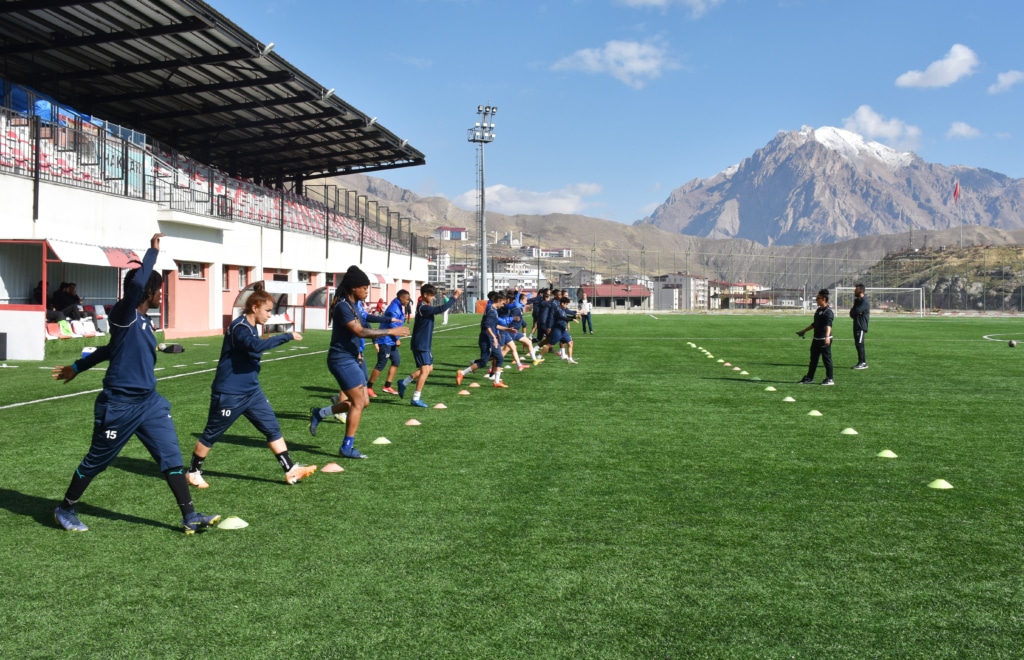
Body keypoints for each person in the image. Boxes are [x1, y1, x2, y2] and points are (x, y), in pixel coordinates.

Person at [51, 233, 219, 534]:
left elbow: (109, 350)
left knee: (170, 456)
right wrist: (153, 253)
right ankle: (65, 508)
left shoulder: (142, 320)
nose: (161, 296)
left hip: (149, 403)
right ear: (148, 290)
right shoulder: (123, 313)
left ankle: (190, 516)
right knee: (96, 461)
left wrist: (77, 366)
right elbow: (138, 286)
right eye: (159, 290)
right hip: (119, 404)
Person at [185, 282, 316, 489]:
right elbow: (254, 346)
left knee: (272, 428)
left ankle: (290, 470)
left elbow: (253, 351)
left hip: (251, 392)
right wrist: (286, 336)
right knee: (212, 433)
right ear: (254, 308)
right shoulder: (239, 328)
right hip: (230, 393)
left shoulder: (251, 328)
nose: (269, 315)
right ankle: (193, 471)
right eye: (267, 311)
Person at [309, 265, 409, 459]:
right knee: (357, 401)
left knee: (364, 402)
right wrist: (390, 331)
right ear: (354, 288)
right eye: (364, 288)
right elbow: (360, 331)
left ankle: (320, 413)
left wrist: (388, 320)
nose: (366, 291)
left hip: (355, 357)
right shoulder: (342, 307)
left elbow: (365, 320)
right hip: (341, 359)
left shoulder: (356, 306)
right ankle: (346, 447)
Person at [396, 285, 462, 407]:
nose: (432, 298)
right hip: (420, 344)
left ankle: (404, 382)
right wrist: (455, 297)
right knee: (425, 370)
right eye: (431, 296)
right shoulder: (423, 307)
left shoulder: (424, 306)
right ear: (425, 295)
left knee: (429, 368)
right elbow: (441, 309)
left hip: (424, 344)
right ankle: (415, 398)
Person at [456, 291, 513, 389]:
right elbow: (487, 326)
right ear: (499, 301)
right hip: (487, 339)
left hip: (490, 338)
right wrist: (494, 337)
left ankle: (496, 381)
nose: (503, 305)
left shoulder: (493, 310)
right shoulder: (491, 311)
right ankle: (462, 373)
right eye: (503, 303)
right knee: (491, 360)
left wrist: (506, 329)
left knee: (491, 359)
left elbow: (494, 325)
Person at [366, 290, 410, 396]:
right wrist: (397, 338)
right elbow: (392, 325)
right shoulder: (394, 308)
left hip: (391, 341)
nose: (408, 301)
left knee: (396, 361)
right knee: (381, 364)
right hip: (385, 340)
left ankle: (387, 386)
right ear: (400, 297)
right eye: (407, 299)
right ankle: (369, 387)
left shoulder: (398, 306)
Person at [796, 288, 835, 386]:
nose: (816, 299)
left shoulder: (828, 312)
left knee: (827, 359)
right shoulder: (818, 310)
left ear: (824, 299)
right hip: (816, 339)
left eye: (818, 298)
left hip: (824, 339)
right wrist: (804, 331)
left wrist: (827, 337)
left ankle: (830, 378)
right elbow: (815, 324)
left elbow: (829, 325)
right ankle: (809, 377)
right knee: (813, 359)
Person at [850, 283, 869, 369]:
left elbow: (856, 311)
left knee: (860, 344)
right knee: (858, 344)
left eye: (856, 289)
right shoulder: (857, 301)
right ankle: (861, 362)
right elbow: (852, 313)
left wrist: (856, 312)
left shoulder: (864, 302)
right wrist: (856, 312)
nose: (854, 290)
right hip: (856, 325)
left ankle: (863, 362)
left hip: (861, 326)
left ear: (861, 290)